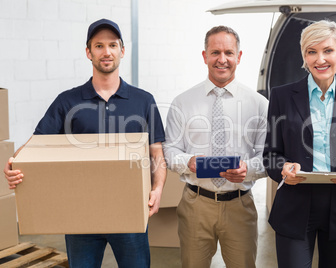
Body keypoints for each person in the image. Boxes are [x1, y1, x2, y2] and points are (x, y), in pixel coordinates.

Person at [3, 18, 166, 268]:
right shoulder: (67, 102)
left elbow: (157, 153)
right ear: (88, 52)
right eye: (98, 46)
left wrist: (157, 189)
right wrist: (15, 163)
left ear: (122, 51)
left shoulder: (143, 101)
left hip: (129, 213)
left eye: (112, 45)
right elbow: (35, 146)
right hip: (81, 216)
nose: (106, 52)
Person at [263, 20, 336, 268]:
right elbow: (271, 154)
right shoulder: (281, 96)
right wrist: (283, 168)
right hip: (294, 206)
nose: (320, 59)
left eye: (328, 50)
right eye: (312, 52)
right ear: (304, 56)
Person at [163, 25, 268, 268]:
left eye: (229, 53)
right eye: (215, 52)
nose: (222, 59)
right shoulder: (183, 102)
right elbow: (170, 150)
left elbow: (268, 156)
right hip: (196, 205)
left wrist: (248, 169)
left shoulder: (259, 104)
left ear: (239, 57)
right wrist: (187, 162)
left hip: (240, 205)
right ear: (205, 56)